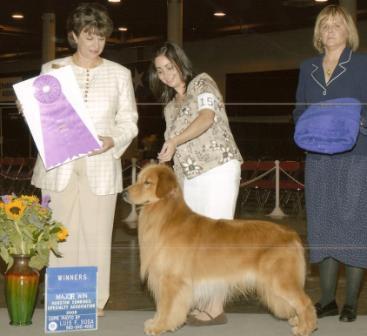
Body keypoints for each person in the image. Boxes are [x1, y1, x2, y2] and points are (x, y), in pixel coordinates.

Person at [31, 2, 138, 316]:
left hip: (102, 165)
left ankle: (93, 301)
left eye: (101, 37)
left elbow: (129, 121)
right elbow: (42, 117)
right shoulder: (52, 70)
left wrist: (112, 140)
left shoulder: (120, 74)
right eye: (89, 37)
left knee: (97, 235)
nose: (96, 44)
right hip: (58, 166)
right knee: (60, 234)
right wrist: (29, 111)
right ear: (74, 36)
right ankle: (63, 301)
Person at [148, 41, 243, 326]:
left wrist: (174, 140)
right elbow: (175, 147)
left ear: (180, 63)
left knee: (216, 238)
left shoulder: (203, 83)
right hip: (189, 176)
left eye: (169, 67)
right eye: (159, 71)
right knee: (195, 242)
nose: (165, 74)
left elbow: (207, 117)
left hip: (218, 168)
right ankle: (203, 301)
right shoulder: (169, 107)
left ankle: (215, 307)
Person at [293, 5, 367, 322]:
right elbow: (299, 109)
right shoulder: (307, 66)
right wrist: (303, 126)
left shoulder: (362, 65)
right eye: (325, 25)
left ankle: (350, 301)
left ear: (349, 31)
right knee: (322, 226)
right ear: (318, 33)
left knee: (353, 226)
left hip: (356, 155)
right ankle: (326, 300)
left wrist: (361, 122)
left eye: (337, 25)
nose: (330, 30)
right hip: (318, 157)